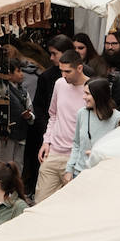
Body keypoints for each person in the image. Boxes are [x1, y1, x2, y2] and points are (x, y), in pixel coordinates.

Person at [36, 50, 90, 203]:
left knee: (70, 206)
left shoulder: (91, 88)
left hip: (77, 157)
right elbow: (53, 114)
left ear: (79, 68)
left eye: (68, 71)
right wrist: (46, 141)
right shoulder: (59, 84)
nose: (64, 75)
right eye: (61, 71)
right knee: (41, 204)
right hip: (54, 152)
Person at [23, 35, 74, 192]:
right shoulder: (47, 77)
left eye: (54, 53)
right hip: (52, 139)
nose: (51, 58)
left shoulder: (86, 77)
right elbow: (42, 109)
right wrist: (48, 135)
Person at [67, 77, 120, 181]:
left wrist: (99, 154)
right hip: (79, 174)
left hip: (103, 176)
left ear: (99, 95)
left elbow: (118, 150)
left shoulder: (117, 118)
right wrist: (69, 169)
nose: (83, 97)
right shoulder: (82, 113)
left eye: (87, 94)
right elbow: (76, 144)